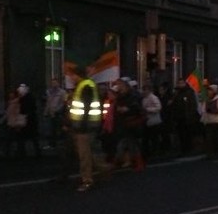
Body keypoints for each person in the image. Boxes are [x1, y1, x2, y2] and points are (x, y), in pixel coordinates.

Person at [66, 65, 103, 193]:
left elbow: (86, 107)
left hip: (84, 127)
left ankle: (87, 180)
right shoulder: (84, 85)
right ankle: (102, 171)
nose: (70, 77)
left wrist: (81, 124)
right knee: (87, 153)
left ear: (78, 75)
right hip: (83, 126)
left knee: (85, 155)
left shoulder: (85, 86)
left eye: (72, 75)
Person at [112, 78, 146, 171]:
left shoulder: (133, 95)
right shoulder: (120, 95)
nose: (118, 86)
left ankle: (137, 163)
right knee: (126, 143)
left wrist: (128, 109)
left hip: (131, 122)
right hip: (123, 122)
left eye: (120, 84)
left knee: (131, 144)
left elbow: (137, 107)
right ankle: (122, 162)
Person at [16, 83, 41, 158]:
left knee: (22, 137)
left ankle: (22, 152)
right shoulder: (30, 98)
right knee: (33, 138)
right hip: (31, 120)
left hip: (26, 120)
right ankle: (37, 152)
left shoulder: (22, 99)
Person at [201, 84, 218, 159]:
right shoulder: (207, 100)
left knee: (215, 138)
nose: (209, 92)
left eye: (210, 90)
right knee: (208, 138)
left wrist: (212, 110)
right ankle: (209, 153)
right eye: (208, 90)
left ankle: (216, 153)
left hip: (216, 121)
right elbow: (203, 109)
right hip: (208, 120)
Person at [43, 78, 68, 149]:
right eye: (52, 83)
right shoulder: (48, 92)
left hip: (58, 113)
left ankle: (60, 143)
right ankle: (52, 144)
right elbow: (48, 102)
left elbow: (63, 103)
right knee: (51, 129)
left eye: (55, 83)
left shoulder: (62, 92)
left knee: (58, 128)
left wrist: (58, 110)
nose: (54, 84)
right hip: (51, 113)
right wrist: (46, 112)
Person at [141, 84, 163, 159]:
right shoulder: (144, 98)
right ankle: (149, 153)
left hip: (154, 121)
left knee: (154, 138)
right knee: (148, 138)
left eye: (145, 90)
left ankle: (155, 153)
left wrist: (148, 110)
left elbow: (158, 107)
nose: (144, 91)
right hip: (147, 121)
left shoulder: (153, 97)